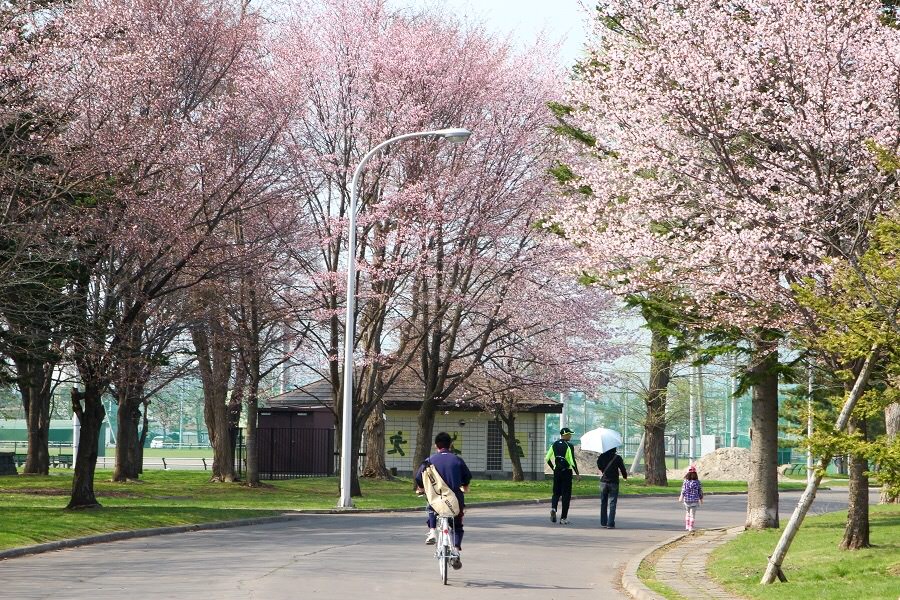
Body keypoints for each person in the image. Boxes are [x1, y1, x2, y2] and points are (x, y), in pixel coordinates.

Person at [415, 431, 472, 570]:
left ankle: (433, 530)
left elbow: (419, 477)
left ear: (436, 445)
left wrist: (421, 489)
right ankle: (456, 549)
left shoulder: (428, 461)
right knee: (457, 525)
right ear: (450, 445)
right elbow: (467, 477)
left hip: (437, 499)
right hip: (454, 500)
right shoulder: (458, 460)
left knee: (431, 505)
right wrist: (464, 486)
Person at [545, 427, 580, 524]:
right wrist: (577, 473)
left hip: (557, 471)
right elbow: (572, 461)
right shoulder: (569, 446)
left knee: (556, 493)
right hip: (566, 472)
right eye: (569, 434)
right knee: (566, 495)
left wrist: (553, 468)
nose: (570, 436)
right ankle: (563, 518)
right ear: (565, 435)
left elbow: (547, 458)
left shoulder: (554, 444)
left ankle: (554, 508)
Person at [597, 446, 627, 528]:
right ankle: (610, 523)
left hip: (603, 482)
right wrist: (625, 476)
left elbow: (599, 466)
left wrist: (603, 469)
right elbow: (622, 469)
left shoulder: (602, 456)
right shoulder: (617, 458)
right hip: (614, 482)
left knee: (603, 502)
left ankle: (603, 522)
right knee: (612, 503)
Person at [678, 465, 704, 531]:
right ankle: (691, 527)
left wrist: (681, 497)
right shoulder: (697, 482)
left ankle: (687, 526)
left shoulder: (685, 481)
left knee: (687, 513)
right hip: (695, 501)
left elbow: (683, 490)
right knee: (692, 514)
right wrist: (701, 499)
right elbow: (700, 491)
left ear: (688, 474)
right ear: (695, 474)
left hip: (687, 500)